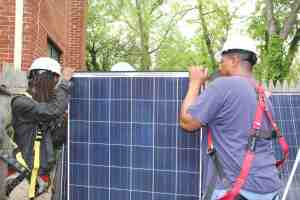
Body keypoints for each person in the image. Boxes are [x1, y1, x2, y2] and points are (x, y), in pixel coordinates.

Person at [180, 35, 282, 200]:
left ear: (234, 60)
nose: (220, 66)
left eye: (222, 61)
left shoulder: (223, 86)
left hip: (236, 190)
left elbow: (187, 122)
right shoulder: (262, 94)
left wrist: (195, 83)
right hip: (269, 186)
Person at [9, 57, 74, 197]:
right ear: (42, 78)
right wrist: (65, 84)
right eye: (55, 81)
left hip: (42, 183)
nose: (55, 87)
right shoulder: (21, 102)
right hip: (21, 182)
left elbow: (54, 141)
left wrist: (65, 123)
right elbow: (53, 110)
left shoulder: (43, 109)